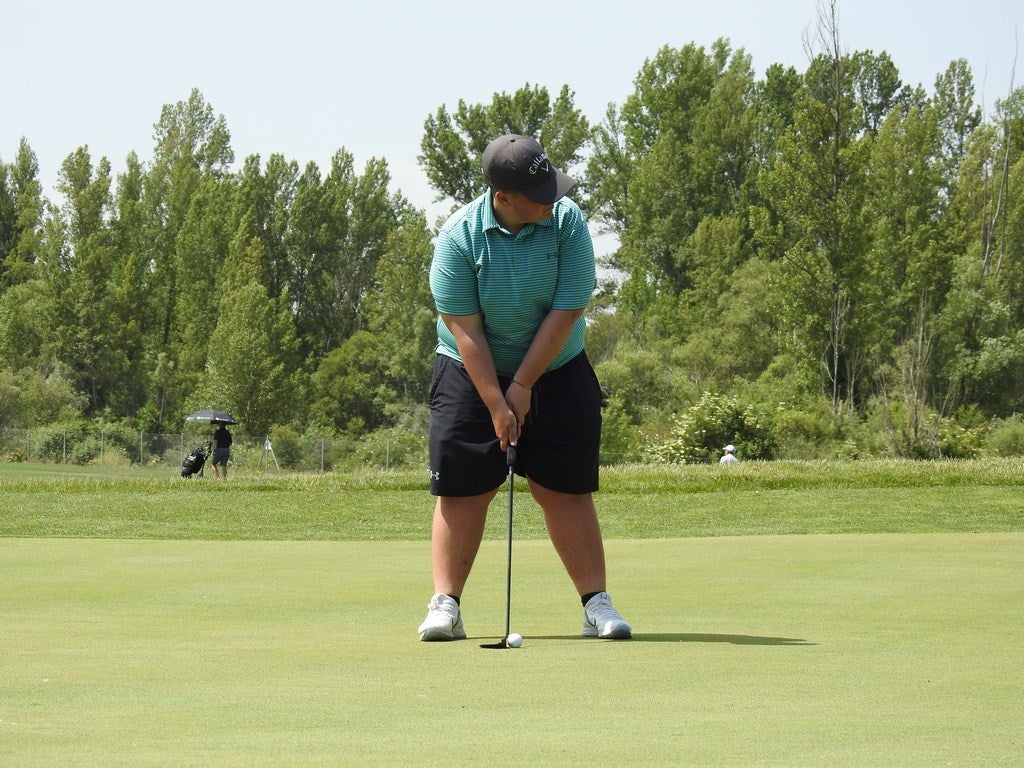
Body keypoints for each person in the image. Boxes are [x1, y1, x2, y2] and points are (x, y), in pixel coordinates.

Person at [418, 134, 632, 642]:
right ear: (504, 198)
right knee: (462, 489)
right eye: (539, 192)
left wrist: (523, 387)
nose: (552, 199)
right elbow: (464, 329)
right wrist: (496, 398)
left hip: (557, 369)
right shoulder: (457, 238)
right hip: (470, 374)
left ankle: (595, 605)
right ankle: (446, 605)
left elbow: (569, 308)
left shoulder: (566, 221)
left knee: (565, 488)